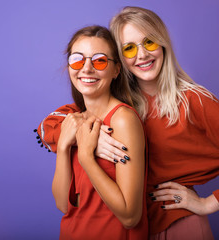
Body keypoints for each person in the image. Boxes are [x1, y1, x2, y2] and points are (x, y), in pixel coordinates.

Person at [35, 7, 219, 240]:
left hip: (176, 224)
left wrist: (207, 203)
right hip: (126, 228)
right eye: (130, 48)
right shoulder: (115, 99)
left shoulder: (193, 100)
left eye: (149, 42)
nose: (142, 54)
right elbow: (54, 125)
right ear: (119, 61)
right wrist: (85, 136)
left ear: (163, 44)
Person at [46, 25, 148, 239]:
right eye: (77, 59)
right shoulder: (74, 120)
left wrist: (86, 157)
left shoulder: (122, 120)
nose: (87, 69)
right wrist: (64, 145)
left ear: (116, 70)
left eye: (100, 60)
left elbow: (130, 216)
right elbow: (63, 205)